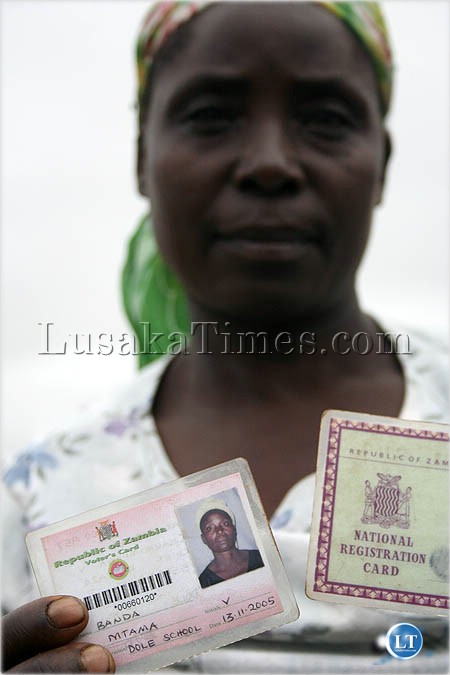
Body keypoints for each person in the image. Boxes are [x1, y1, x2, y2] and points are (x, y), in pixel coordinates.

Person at [2, 2, 448, 673]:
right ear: (142, 159)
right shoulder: (39, 498)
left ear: (381, 162)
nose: (270, 164)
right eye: (211, 115)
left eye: (325, 119)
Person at [196, 500, 264, 588]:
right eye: (209, 528)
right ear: (204, 539)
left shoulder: (261, 557)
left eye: (225, 523)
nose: (219, 530)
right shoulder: (204, 583)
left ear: (234, 529)